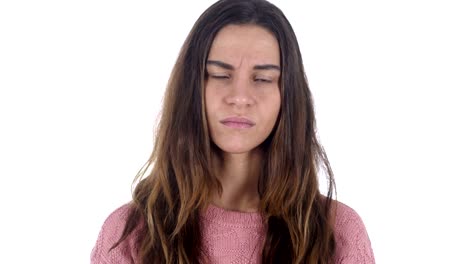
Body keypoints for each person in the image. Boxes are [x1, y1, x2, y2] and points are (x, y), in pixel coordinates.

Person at [91, 0, 375, 263]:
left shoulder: (338, 235)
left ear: (287, 96)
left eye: (262, 78)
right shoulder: (128, 237)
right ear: (191, 88)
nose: (240, 97)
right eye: (220, 75)